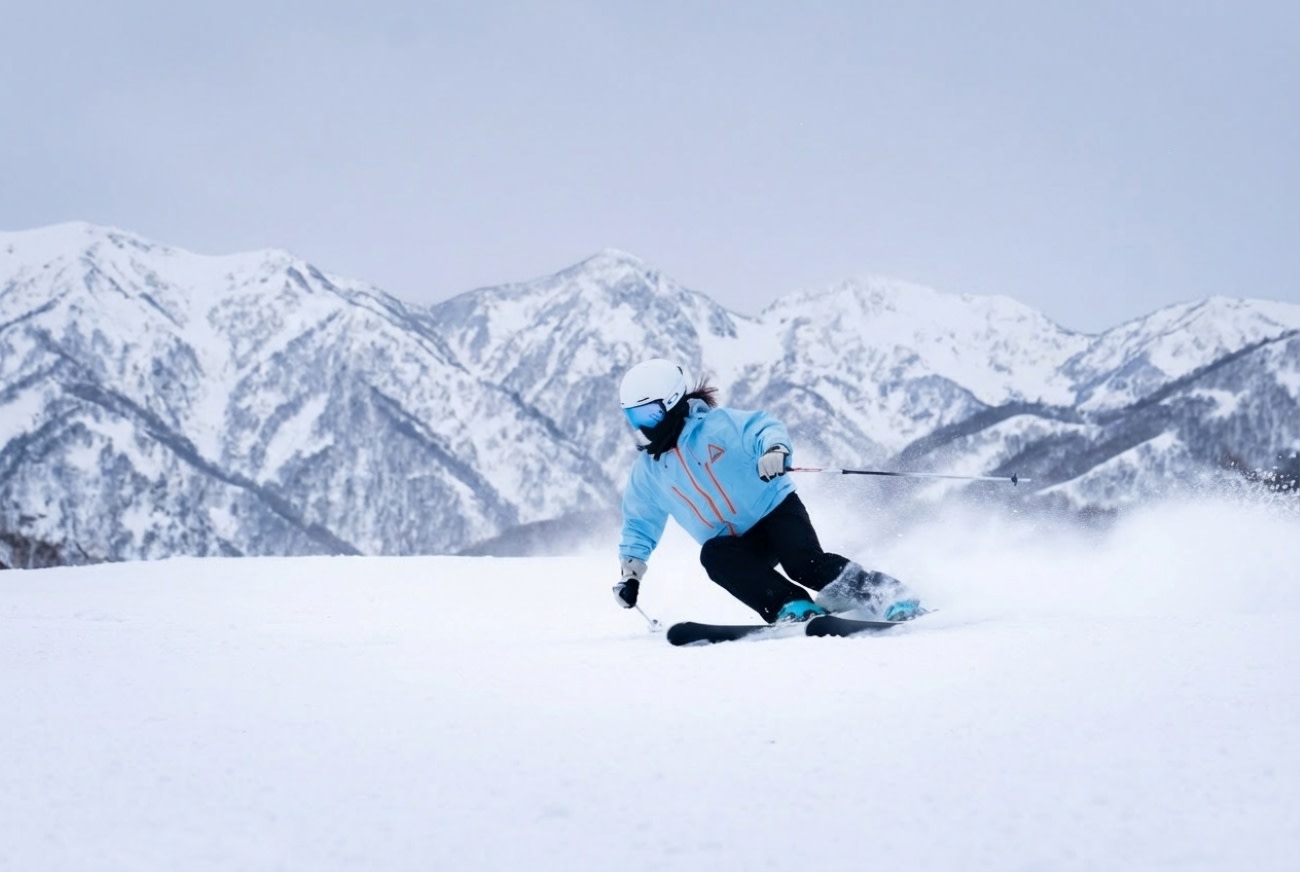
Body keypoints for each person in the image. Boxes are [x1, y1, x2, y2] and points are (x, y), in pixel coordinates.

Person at [612, 357, 921, 624]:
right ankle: (790, 605)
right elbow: (639, 522)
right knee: (714, 556)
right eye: (633, 417)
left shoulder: (718, 427)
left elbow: (763, 428)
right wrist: (631, 575)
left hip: (775, 510)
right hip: (738, 544)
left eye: (649, 414)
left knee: (804, 565)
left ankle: (886, 593)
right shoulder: (648, 472)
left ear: (672, 402)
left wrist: (774, 450)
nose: (642, 426)